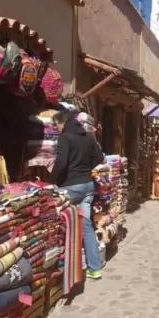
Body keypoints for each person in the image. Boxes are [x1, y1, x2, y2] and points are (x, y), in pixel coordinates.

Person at [49, 110, 104, 279]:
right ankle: (94, 268)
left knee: (58, 224)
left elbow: (61, 163)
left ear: (61, 122)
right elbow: (99, 157)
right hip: (87, 186)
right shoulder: (88, 136)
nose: (55, 128)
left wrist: (52, 181)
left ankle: (67, 268)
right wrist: (86, 168)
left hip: (70, 187)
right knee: (86, 226)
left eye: (55, 125)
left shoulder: (65, 137)